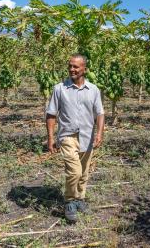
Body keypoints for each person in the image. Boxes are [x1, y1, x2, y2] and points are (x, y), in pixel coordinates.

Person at [45, 53, 104, 222]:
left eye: (76, 66)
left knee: (84, 172)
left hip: (87, 135)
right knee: (75, 171)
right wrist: (50, 138)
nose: (72, 69)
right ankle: (69, 201)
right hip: (67, 136)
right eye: (70, 65)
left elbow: (99, 113)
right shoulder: (59, 89)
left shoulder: (93, 89)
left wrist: (99, 133)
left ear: (84, 69)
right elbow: (51, 114)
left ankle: (79, 198)